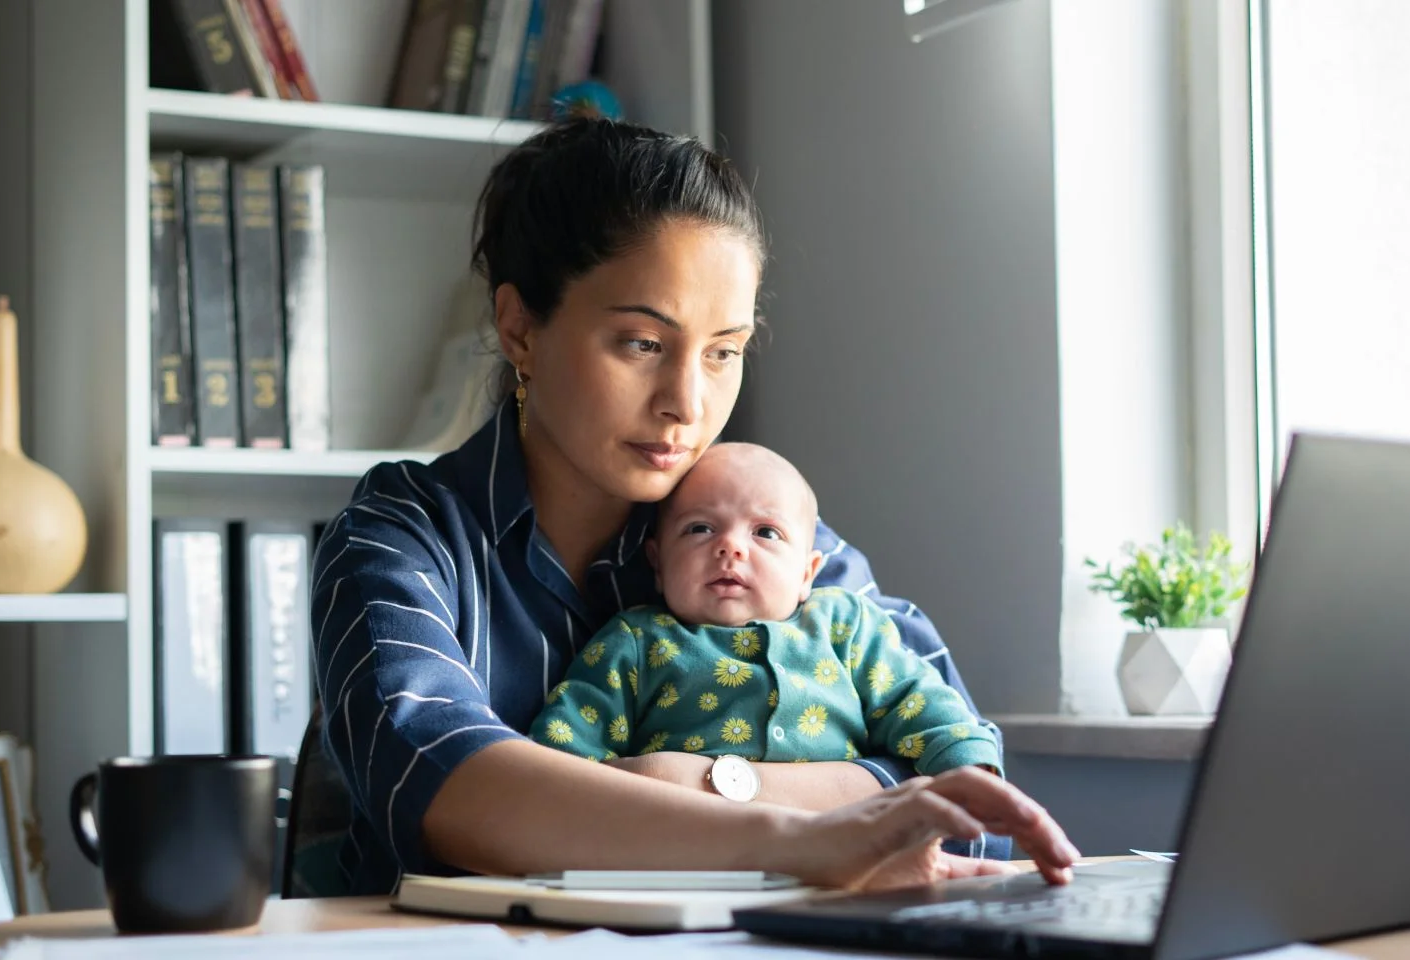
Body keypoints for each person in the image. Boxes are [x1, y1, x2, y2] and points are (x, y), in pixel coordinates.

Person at [309, 116, 1077, 897]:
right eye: (642, 343)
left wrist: (689, 780)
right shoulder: (399, 537)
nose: (688, 402)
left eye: (723, 352)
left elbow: (964, 796)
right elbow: (442, 778)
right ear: (520, 328)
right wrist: (810, 829)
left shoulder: (769, 535)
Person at [531, 442, 1003, 779]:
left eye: (766, 533)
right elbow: (565, 751)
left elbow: (915, 700)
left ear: (807, 573)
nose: (730, 548)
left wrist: (969, 764)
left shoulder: (845, 626)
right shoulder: (635, 641)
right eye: (699, 529)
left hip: (843, 853)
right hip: (682, 854)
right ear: (657, 563)